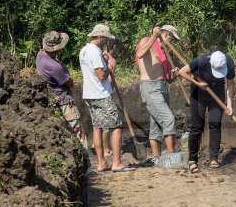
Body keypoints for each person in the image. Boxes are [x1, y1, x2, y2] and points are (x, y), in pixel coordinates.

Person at [79, 24, 135, 172]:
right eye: (105, 38)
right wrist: (110, 66)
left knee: (97, 127)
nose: (106, 42)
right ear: (100, 36)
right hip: (101, 94)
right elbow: (101, 75)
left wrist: (103, 62)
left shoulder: (84, 50)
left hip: (90, 95)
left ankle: (102, 163)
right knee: (116, 126)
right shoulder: (95, 52)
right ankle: (116, 163)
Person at [177, 49, 236, 173]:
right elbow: (182, 71)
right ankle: (192, 160)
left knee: (215, 125)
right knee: (197, 126)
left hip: (217, 95)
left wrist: (229, 105)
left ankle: (214, 158)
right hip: (198, 95)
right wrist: (197, 83)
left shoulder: (229, 63)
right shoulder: (203, 60)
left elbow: (230, 84)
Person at [134, 25, 180, 159]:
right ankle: (171, 156)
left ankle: (156, 158)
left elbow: (164, 77)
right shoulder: (147, 41)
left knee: (156, 125)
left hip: (162, 87)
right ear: (166, 35)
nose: (171, 42)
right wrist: (154, 36)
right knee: (168, 119)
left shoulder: (163, 51)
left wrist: (173, 75)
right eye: (171, 38)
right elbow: (139, 54)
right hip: (150, 87)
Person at [35, 31, 87, 147]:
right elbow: (70, 83)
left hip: (53, 98)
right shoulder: (55, 66)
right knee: (78, 133)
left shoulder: (40, 55)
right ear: (56, 48)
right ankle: (86, 162)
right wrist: (64, 67)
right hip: (65, 102)